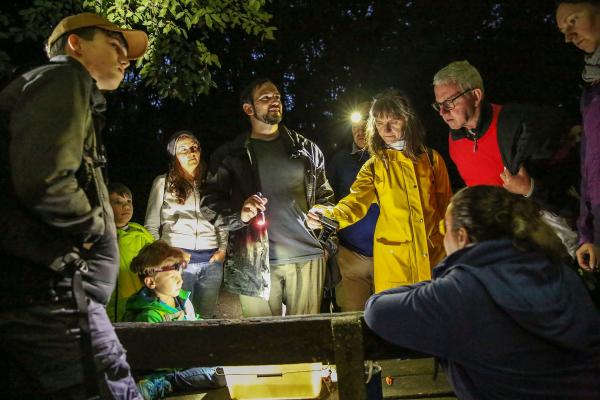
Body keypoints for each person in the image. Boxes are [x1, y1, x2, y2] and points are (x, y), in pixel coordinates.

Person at [0, 12, 147, 399]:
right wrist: (93, 230)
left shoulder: (43, 90)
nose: (125, 58)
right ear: (74, 44)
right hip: (55, 299)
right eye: (114, 45)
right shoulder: (64, 77)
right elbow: (45, 179)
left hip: (32, 296)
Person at [364, 186, 600, 399]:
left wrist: (446, 276)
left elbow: (377, 310)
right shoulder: (561, 274)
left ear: (462, 236)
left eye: (445, 229)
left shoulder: (463, 291)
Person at [201, 78, 336, 317]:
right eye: (265, 98)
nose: (275, 102)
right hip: (252, 260)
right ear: (248, 109)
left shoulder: (307, 150)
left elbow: (326, 198)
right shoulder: (230, 154)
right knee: (262, 342)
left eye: (277, 98)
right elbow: (209, 204)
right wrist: (239, 215)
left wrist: (325, 234)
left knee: (308, 340)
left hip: (307, 256)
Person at [309, 90, 452, 293]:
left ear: (408, 119)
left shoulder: (432, 159)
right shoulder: (375, 166)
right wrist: (329, 214)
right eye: (379, 122)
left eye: (393, 120)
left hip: (435, 262)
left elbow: (446, 208)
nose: (386, 129)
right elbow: (355, 202)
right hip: (396, 267)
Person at [432, 60, 580, 256]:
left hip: (543, 238)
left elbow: (568, 185)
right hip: (499, 245)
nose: (443, 112)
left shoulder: (517, 125)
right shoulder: (455, 139)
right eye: (439, 105)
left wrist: (530, 189)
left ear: (476, 96)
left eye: (449, 103)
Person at [124, 240, 226, 400]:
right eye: (172, 276)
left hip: (189, 360)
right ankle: (162, 384)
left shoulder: (182, 300)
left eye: (179, 273)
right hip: (167, 371)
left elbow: (194, 321)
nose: (180, 280)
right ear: (151, 282)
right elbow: (155, 359)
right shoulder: (149, 316)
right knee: (219, 374)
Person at [145, 130, 227, 319]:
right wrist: (166, 256)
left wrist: (223, 249)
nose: (192, 153)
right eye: (184, 150)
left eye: (195, 148)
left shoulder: (212, 182)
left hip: (211, 262)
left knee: (205, 317)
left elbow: (222, 219)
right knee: (180, 316)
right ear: (174, 155)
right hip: (177, 263)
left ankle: (205, 349)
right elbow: (151, 224)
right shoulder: (162, 183)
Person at [556, 1, 600, 272]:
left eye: (573, 20)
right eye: (563, 30)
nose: (568, 37)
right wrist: (587, 233)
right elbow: (590, 166)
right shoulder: (591, 91)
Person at [325, 101, 379, 310]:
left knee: (390, 318)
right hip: (350, 254)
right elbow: (328, 200)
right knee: (351, 318)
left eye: (366, 124)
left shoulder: (392, 160)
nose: (359, 131)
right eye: (355, 126)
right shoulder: (340, 161)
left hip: (389, 253)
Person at [107, 182, 155, 322]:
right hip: (106, 310)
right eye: (117, 202)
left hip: (137, 305)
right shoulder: (97, 235)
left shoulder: (141, 233)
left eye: (129, 201)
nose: (126, 206)